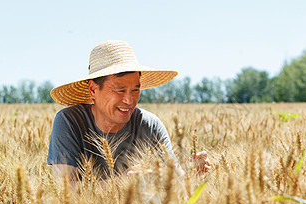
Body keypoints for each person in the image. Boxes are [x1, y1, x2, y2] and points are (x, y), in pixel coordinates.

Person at [47, 40, 210, 180]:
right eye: (120, 90)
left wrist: (189, 171)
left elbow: (174, 179)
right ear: (93, 90)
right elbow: (66, 191)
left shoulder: (150, 125)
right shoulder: (69, 122)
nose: (129, 100)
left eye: (135, 90)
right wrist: (120, 184)